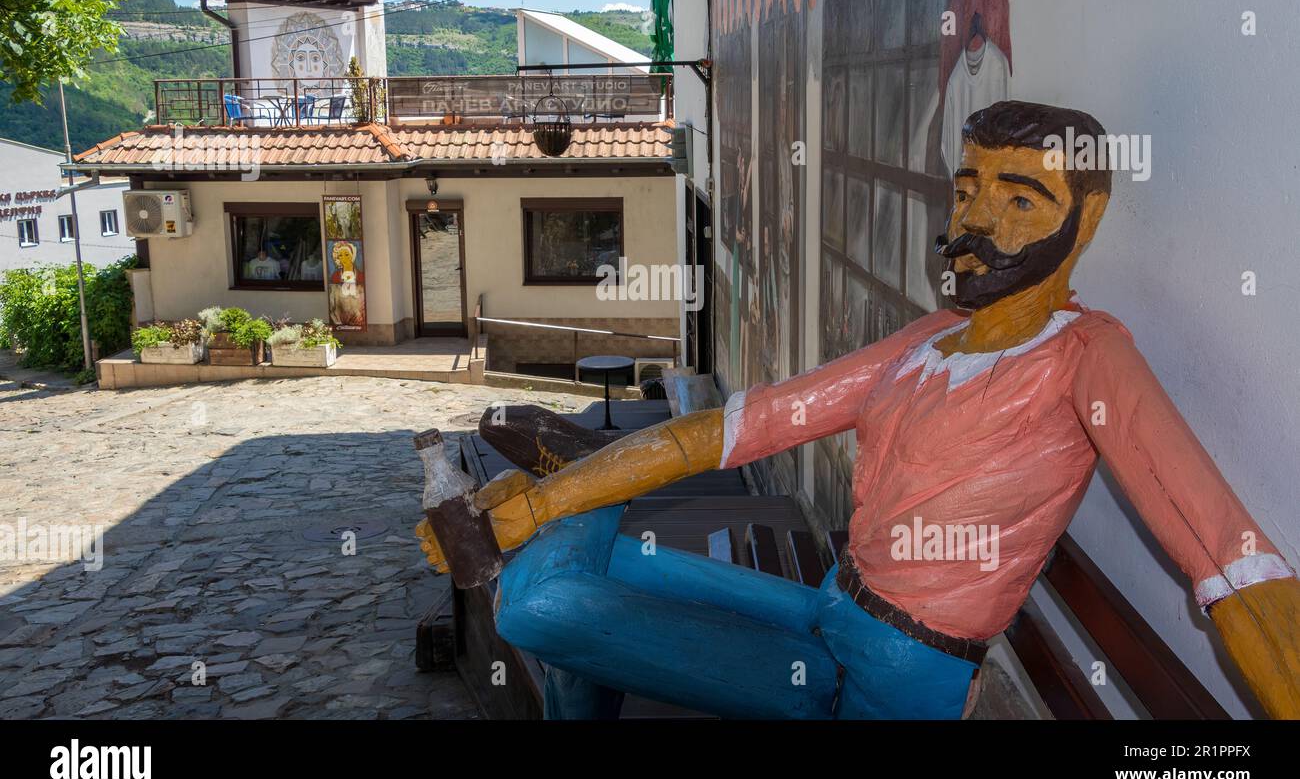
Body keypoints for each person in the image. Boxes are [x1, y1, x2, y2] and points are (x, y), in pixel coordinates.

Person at [417, 101, 1299, 720]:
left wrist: (538, 505)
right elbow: (740, 425)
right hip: (832, 607)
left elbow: (1231, 555)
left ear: (1089, 216)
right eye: (968, 189)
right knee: (577, 592)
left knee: (539, 612)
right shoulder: (926, 340)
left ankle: (577, 486)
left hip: (882, 674)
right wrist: (536, 504)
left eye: (1021, 197)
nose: (976, 220)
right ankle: (575, 486)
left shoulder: (1087, 356)